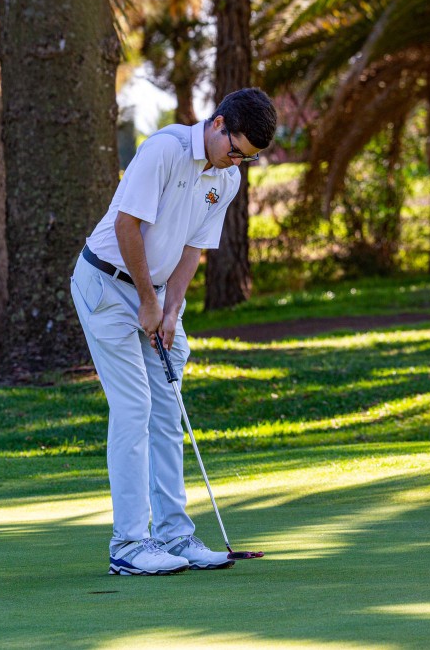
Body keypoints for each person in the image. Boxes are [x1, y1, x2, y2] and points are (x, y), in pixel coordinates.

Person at [70, 88, 277, 575]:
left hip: (157, 294)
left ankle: (175, 535)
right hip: (105, 283)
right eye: (234, 150)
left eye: (245, 159)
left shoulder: (224, 180)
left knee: (167, 408)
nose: (235, 163)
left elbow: (192, 249)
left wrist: (169, 310)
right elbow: (126, 227)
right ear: (219, 123)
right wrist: (147, 301)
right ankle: (129, 545)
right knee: (134, 406)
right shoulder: (163, 149)